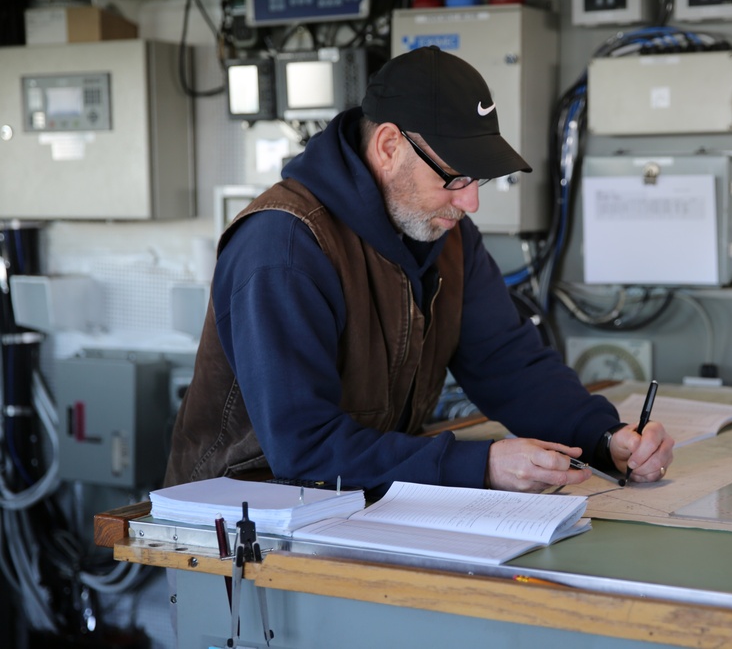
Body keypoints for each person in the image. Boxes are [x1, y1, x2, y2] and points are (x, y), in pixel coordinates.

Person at [164, 46, 674, 494]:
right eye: (456, 177)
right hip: (241, 522)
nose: (471, 201)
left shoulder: (443, 232)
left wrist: (605, 439)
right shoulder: (284, 245)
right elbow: (306, 448)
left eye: (480, 180)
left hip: (359, 502)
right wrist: (482, 465)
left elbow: (508, 363)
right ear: (389, 146)